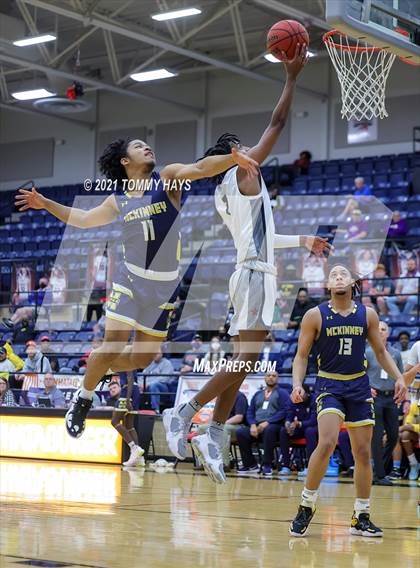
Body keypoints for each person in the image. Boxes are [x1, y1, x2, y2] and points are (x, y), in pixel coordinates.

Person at [16, 131, 258, 440]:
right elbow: (83, 218)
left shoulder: (167, 179)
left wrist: (230, 159)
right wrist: (45, 202)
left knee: (142, 359)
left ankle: (98, 362)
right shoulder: (117, 200)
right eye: (138, 146)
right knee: (114, 341)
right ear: (125, 160)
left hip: (164, 288)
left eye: (147, 144)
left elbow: (199, 169)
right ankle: (83, 398)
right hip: (130, 279)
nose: (147, 147)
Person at [163, 46, 330, 484]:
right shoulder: (243, 173)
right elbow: (276, 123)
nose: (253, 153)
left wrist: (302, 240)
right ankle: (185, 411)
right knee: (245, 360)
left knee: (242, 361)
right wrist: (292, 77)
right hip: (254, 275)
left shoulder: (226, 192)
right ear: (234, 153)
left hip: (252, 270)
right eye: (242, 148)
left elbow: (263, 235)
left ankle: (214, 433)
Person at [289, 264, 407, 538]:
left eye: (343, 274)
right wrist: (297, 383)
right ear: (328, 285)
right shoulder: (314, 315)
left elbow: (380, 351)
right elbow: (301, 355)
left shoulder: (368, 315)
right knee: (327, 441)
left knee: (363, 453)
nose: (338, 277)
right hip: (329, 384)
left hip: (359, 385)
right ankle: (306, 505)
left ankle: (361, 515)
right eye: (333, 275)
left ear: (353, 282)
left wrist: (399, 377)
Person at [366, 321, 403, 485]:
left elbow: (401, 376)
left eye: (383, 330)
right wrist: (366, 387)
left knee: (394, 436)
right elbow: (359, 374)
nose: (380, 332)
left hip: (392, 397)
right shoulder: (367, 352)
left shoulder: (396, 353)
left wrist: (406, 398)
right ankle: (379, 475)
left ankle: (379, 469)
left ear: (388, 333)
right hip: (375, 397)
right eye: (378, 329)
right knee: (376, 436)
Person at [236, 371, 289, 476]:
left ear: (277, 379)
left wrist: (268, 422)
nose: (271, 378)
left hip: (274, 425)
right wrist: (252, 425)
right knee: (241, 432)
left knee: (269, 430)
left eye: (274, 376)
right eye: (268, 376)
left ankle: (267, 465)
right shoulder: (258, 394)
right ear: (264, 378)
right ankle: (250, 464)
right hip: (257, 426)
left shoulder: (282, 393)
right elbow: (250, 411)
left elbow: (284, 411)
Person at [197, 390, 248, 468]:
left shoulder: (240, 396)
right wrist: (211, 424)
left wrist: (220, 425)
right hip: (222, 426)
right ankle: (205, 463)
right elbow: (214, 414)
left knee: (223, 429)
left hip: (237, 426)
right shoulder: (221, 397)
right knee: (202, 428)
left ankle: (225, 463)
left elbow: (239, 417)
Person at [106, 372, 145, 467]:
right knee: (129, 426)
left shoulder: (126, 359)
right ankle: (139, 459)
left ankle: (134, 448)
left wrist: (127, 399)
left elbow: (130, 377)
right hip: (133, 391)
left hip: (128, 390)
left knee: (114, 421)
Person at [278, 386, 317, 475]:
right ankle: (286, 466)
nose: (298, 396)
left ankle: (310, 467)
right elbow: (289, 415)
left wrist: (298, 424)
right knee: (284, 431)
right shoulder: (294, 399)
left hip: (314, 428)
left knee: (309, 431)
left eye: (300, 394)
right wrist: (288, 424)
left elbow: (313, 421)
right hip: (299, 428)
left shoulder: (314, 400)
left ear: (307, 394)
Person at [400, 398, 419, 480]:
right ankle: (414, 464)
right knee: (405, 435)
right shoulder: (415, 405)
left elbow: (409, 426)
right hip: (417, 433)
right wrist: (408, 426)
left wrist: (411, 427)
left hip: (416, 430)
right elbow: (408, 421)